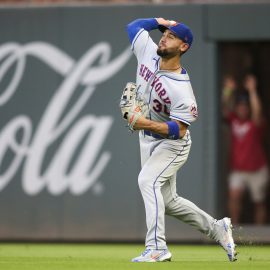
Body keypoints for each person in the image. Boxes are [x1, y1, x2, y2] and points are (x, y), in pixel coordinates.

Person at [124, 18, 237, 262]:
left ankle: (157, 247)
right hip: (147, 141)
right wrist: (159, 21)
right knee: (169, 201)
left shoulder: (182, 89)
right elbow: (133, 27)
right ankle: (217, 228)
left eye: (171, 36)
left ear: (183, 47)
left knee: (147, 180)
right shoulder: (148, 52)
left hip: (172, 144)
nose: (163, 37)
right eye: (164, 34)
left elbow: (179, 130)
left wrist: (143, 123)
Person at [222, 74, 269, 224]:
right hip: (238, 170)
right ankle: (234, 230)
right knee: (234, 197)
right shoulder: (233, 119)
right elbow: (224, 106)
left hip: (257, 169)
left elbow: (257, 111)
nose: (242, 108)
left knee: (259, 202)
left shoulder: (256, 122)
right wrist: (228, 90)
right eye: (240, 106)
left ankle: (259, 235)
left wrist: (252, 90)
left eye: (245, 106)